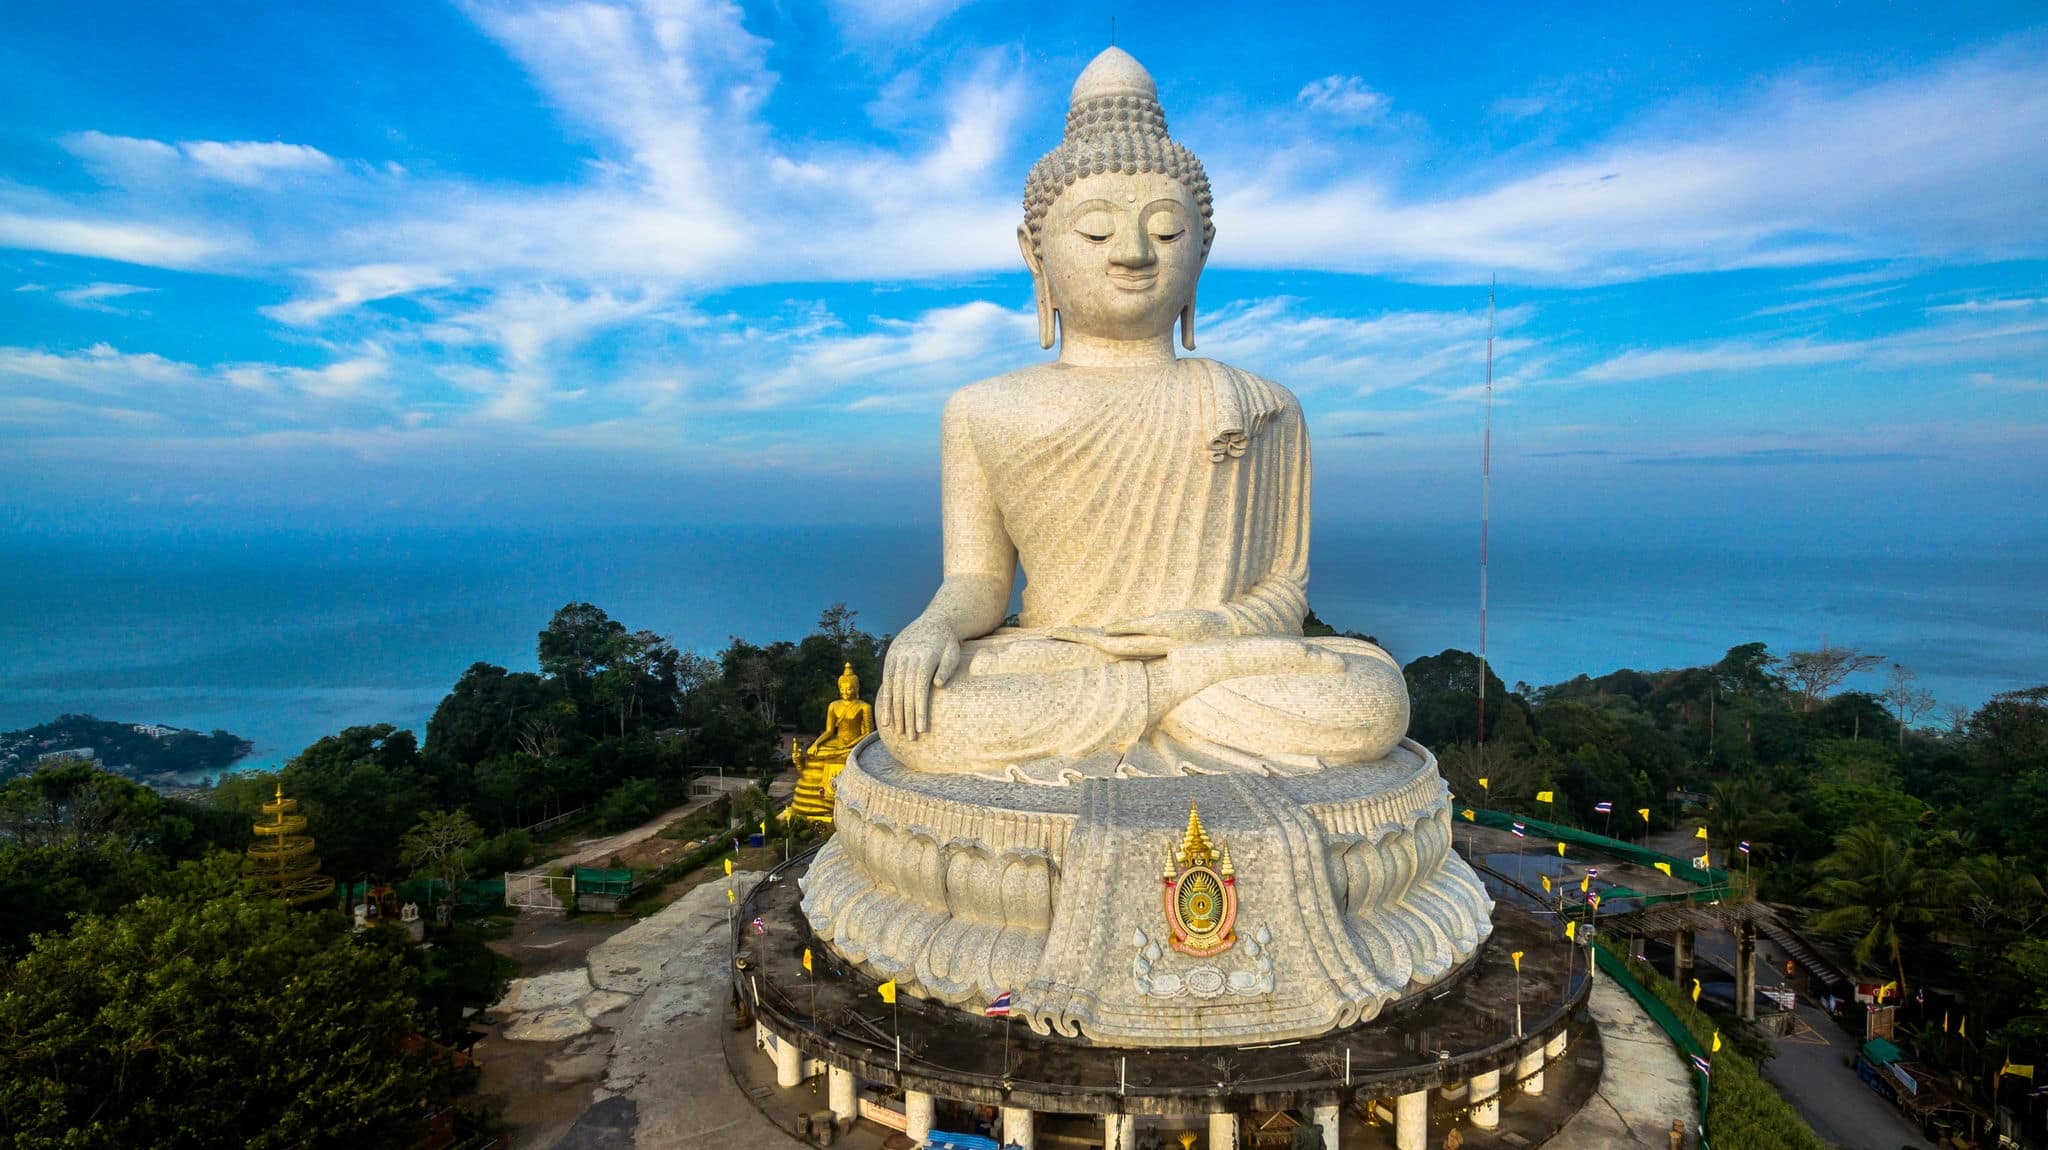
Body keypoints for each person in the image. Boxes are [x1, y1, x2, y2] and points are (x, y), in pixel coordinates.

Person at [875, 48, 1408, 782]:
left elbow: (1284, 593)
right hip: (1064, 659)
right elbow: (980, 581)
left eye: (1165, 232)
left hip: (1215, 659)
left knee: (1371, 697)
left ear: (1204, 250)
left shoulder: (1264, 406)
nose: (1132, 254)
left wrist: (1206, 632)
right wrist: (931, 628)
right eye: (1095, 232)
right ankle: (1167, 706)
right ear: (1037, 254)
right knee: (924, 714)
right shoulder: (981, 410)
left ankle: (1158, 703)